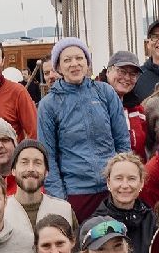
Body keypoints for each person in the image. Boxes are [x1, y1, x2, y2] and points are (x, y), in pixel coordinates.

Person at [37, 36, 132, 222]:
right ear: (58, 66)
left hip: (111, 189)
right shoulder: (49, 105)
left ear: (87, 62)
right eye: (67, 60)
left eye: (79, 58)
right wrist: (58, 199)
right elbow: (48, 155)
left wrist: (123, 180)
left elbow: (122, 142)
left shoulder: (105, 93)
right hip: (76, 192)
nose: (74, 64)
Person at [96, 152, 157, 253]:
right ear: (108, 183)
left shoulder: (154, 222)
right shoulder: (95, 224)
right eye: (118, 178)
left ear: (141, 183)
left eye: (131, 179)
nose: (125, 185)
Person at [7, 139, 77, 234]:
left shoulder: (64, 210)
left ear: (46, 172)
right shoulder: (1, 211)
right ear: (13, 170)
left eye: (37, 163)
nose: (31, 168)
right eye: (24, 162)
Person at [96, 50, 147, 161]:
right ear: (108, 71)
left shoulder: (138, 110)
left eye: (133, 74)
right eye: (122, 71)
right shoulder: (93, 102)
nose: (127, 78)